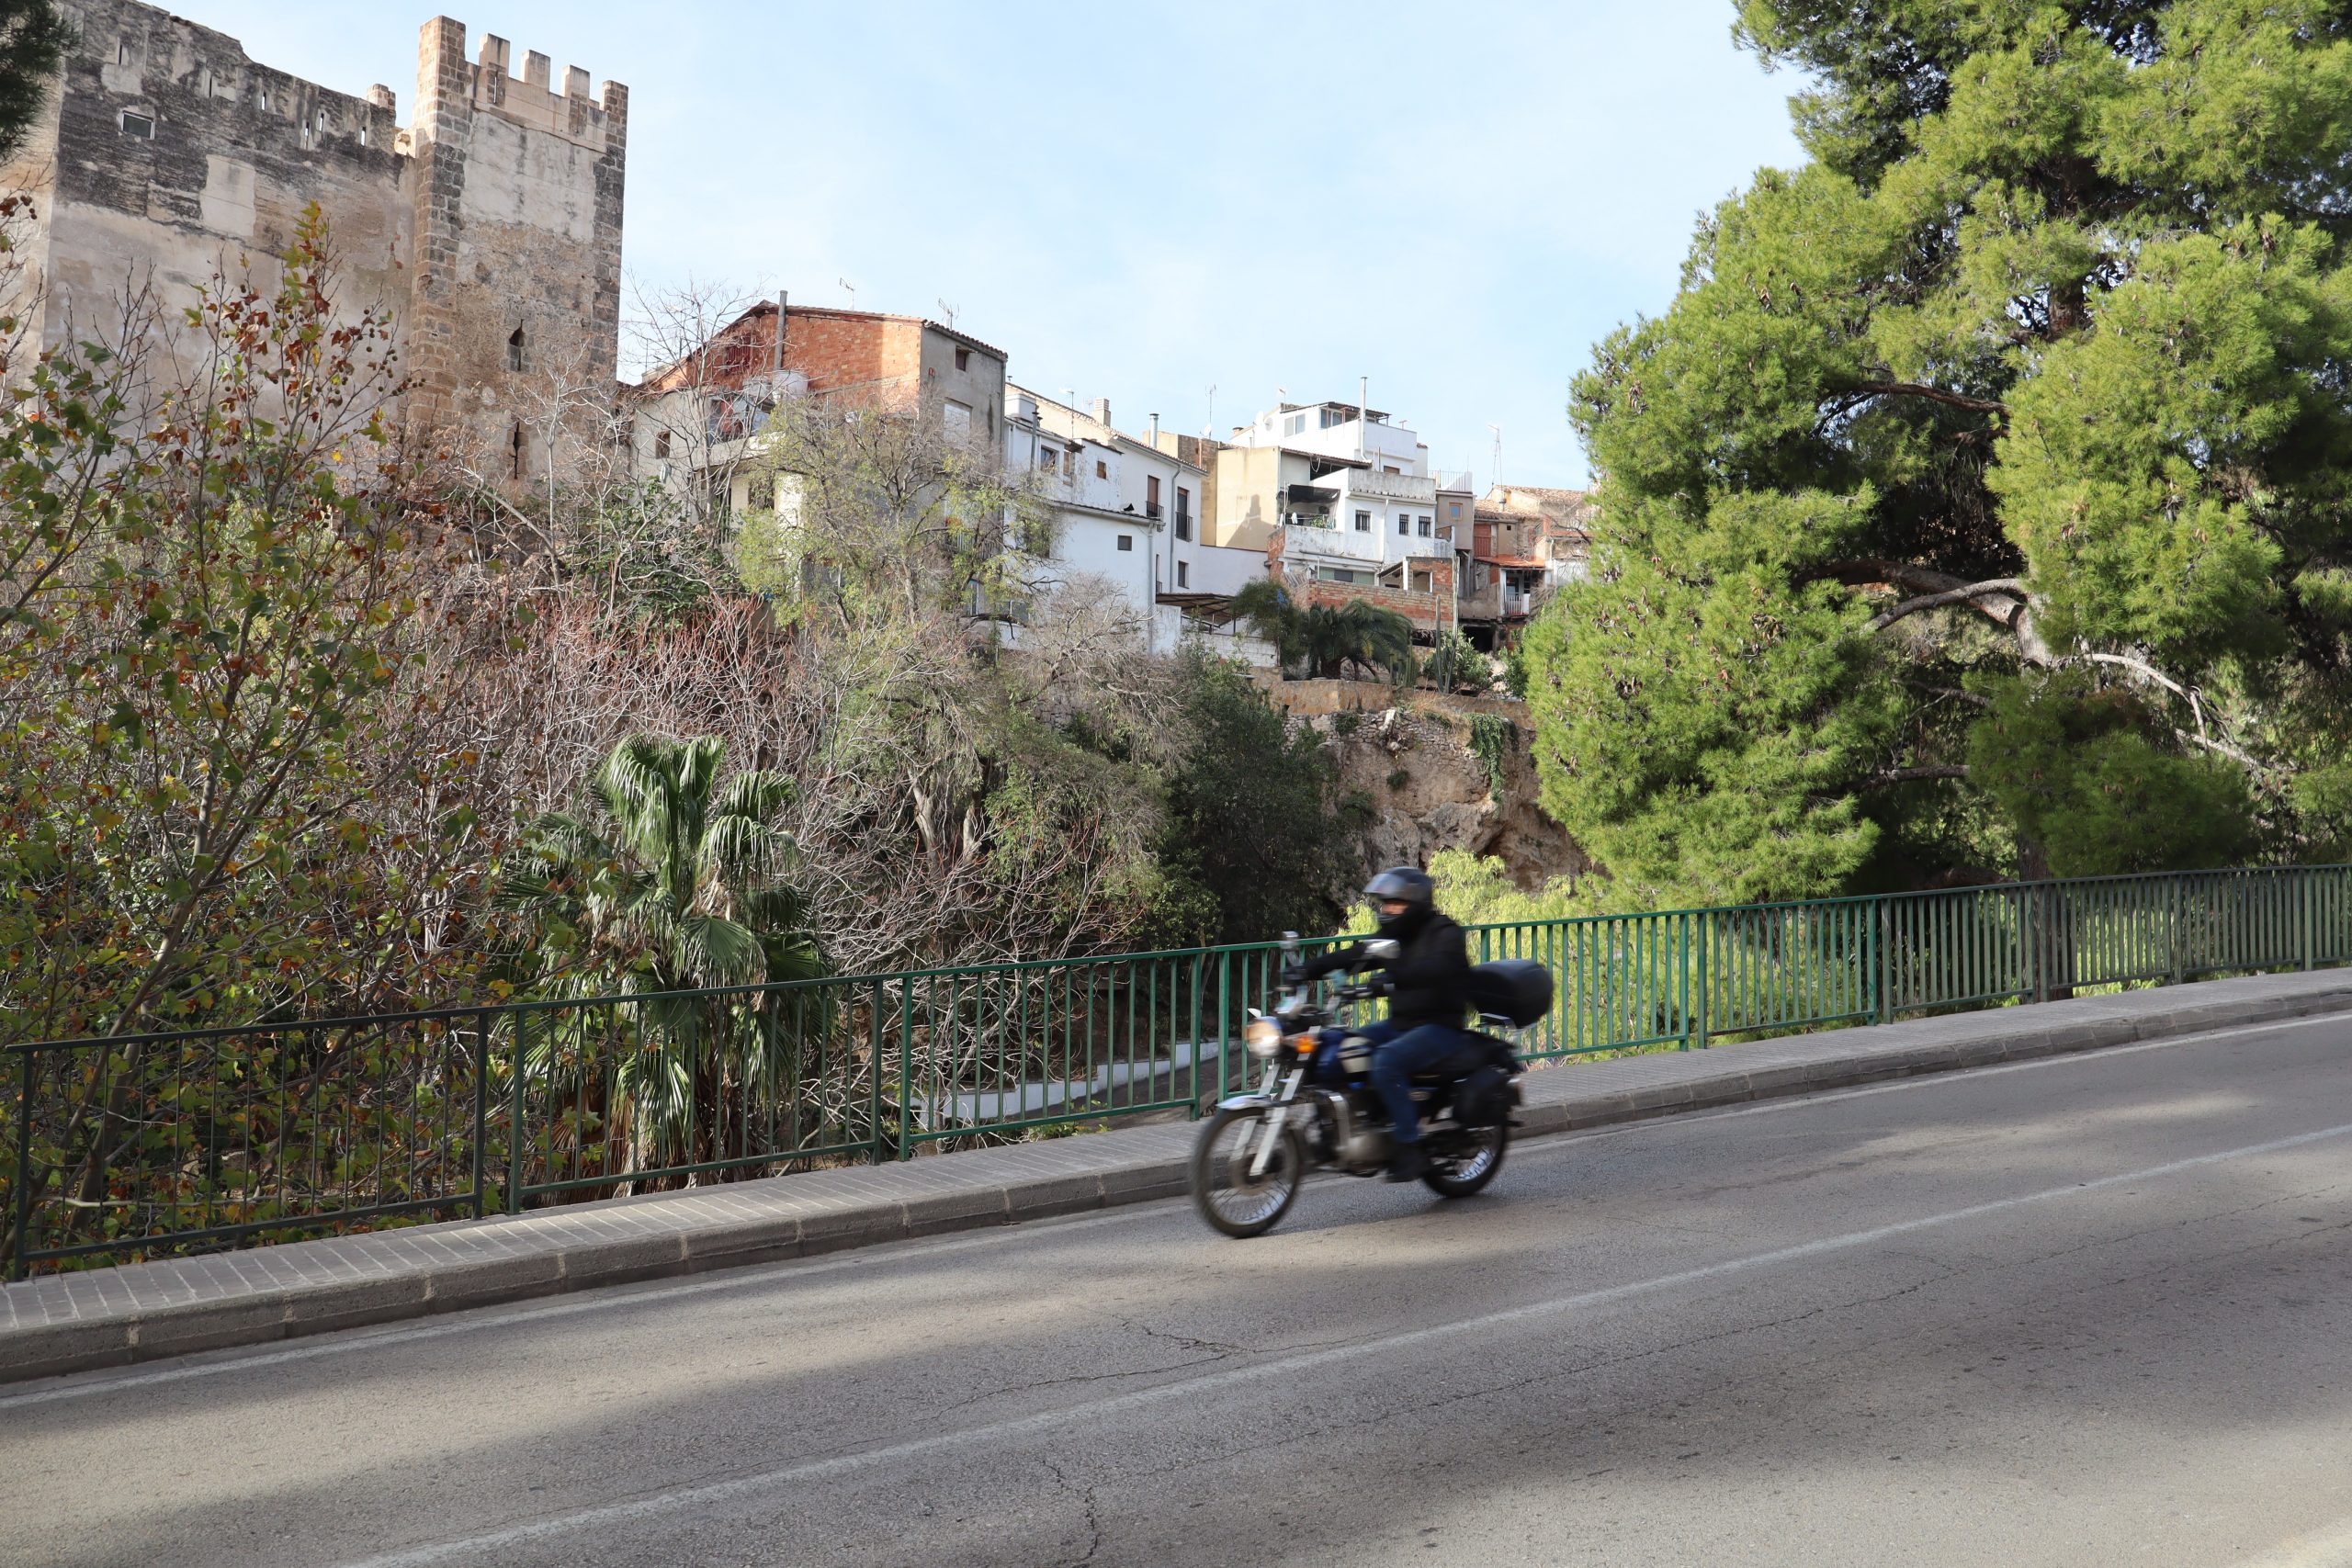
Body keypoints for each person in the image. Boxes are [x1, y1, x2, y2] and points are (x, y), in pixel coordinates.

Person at [1298, 865, 1473, 1182]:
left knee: (1385, 1061)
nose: (1388, 909)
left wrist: (1392, 978)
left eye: (1395, 903)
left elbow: (1436, 969)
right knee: (1339, 1050)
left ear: (1416, 903)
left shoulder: (1445, 933)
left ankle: (1409, 1146)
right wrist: (1307, 969)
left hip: (1440, 1028)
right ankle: (1339, 1131)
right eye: (1385, 903)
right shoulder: (1394, 936)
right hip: (1401, 1025)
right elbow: (1356, 955)